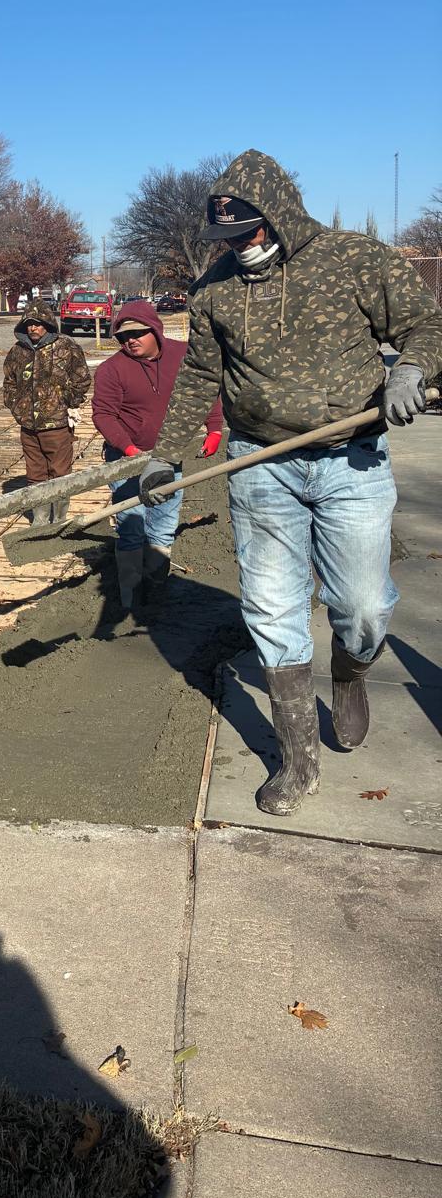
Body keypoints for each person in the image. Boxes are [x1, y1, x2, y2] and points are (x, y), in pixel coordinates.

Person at [139, 151, 442, 815]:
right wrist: (167, 455)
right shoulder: (214, 288)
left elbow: (429, 324)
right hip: (260, 464)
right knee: (272, 611)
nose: (237, 248)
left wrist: (410, 370)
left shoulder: (353, 261)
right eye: (226, 238)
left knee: (362, 608)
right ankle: (297, 763)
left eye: (246, 233)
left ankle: (351, 669)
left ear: (276, 215)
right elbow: (197, 379)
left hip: (351, 460)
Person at [91, 299, 223, 614]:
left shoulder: (183, 356)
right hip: (126, 458)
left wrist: (215, 427)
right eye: (123, 337)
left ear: (156, 330)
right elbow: (103, 415)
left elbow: (203, 390)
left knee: (163, 520)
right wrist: (130, 450)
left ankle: (156, 586)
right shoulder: (112, 369)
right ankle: (130, 596)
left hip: (169, 453)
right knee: (131, 522)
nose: (130, 341)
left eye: (137, 333)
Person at [2, 301, 91, 518]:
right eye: (29, 324)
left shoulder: (66, 347)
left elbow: (82, 378)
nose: (33, 328)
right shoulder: (18, 352)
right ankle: (40, 520)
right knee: (35, 474)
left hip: (57, 425)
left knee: (60, 473)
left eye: (38, 324)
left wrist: (67, 402)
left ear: (48, 324)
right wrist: (16, 405)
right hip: (29, 427)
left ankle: (59, 519)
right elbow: (9, 382)